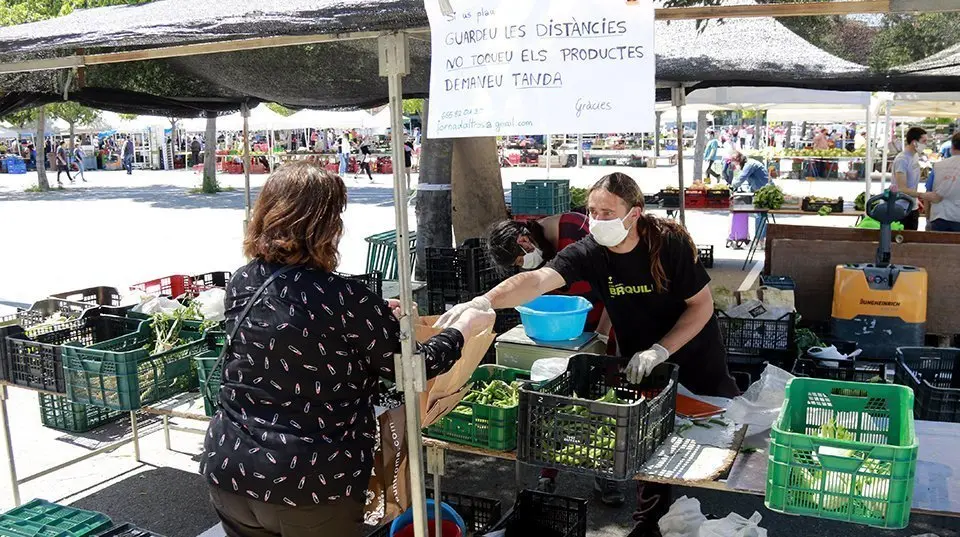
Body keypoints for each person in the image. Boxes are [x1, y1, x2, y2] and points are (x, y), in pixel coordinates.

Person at [201, 161, 495, 537]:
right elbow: (413, 368)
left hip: (229, 467)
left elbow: (295, 341)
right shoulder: (346, 299)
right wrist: (461, 329)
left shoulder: (243, 280)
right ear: (327, 226)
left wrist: (375, 320)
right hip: (309, 483)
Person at [436, 172, 738, 515]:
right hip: (640, 362)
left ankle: (710, 518)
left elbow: (702, 306)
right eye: (593, 211)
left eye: (607, 212)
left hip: (696, 357)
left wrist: (661, 349)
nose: (597, 220)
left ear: (634, 213)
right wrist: (484, 301)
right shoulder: (591, 251)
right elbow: (537, 280)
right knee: (652, 450)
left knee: (715, 452)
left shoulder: (669, 244)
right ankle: (651, 520)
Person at [892, 127, 932, 231]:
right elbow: (901, 188)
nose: (926, 144)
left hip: (912, 206)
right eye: (924, 141)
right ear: (914, 143)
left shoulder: (914, 156)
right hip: (901, 209)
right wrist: (923, 195)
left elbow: (911, 184)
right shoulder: (902, 160)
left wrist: (916, 199)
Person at [924, 133, 960, 232]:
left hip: (939, 217)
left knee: (938, 246)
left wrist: (927, 219)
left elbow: (928, 193)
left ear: (952, 147)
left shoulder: (938, 166)